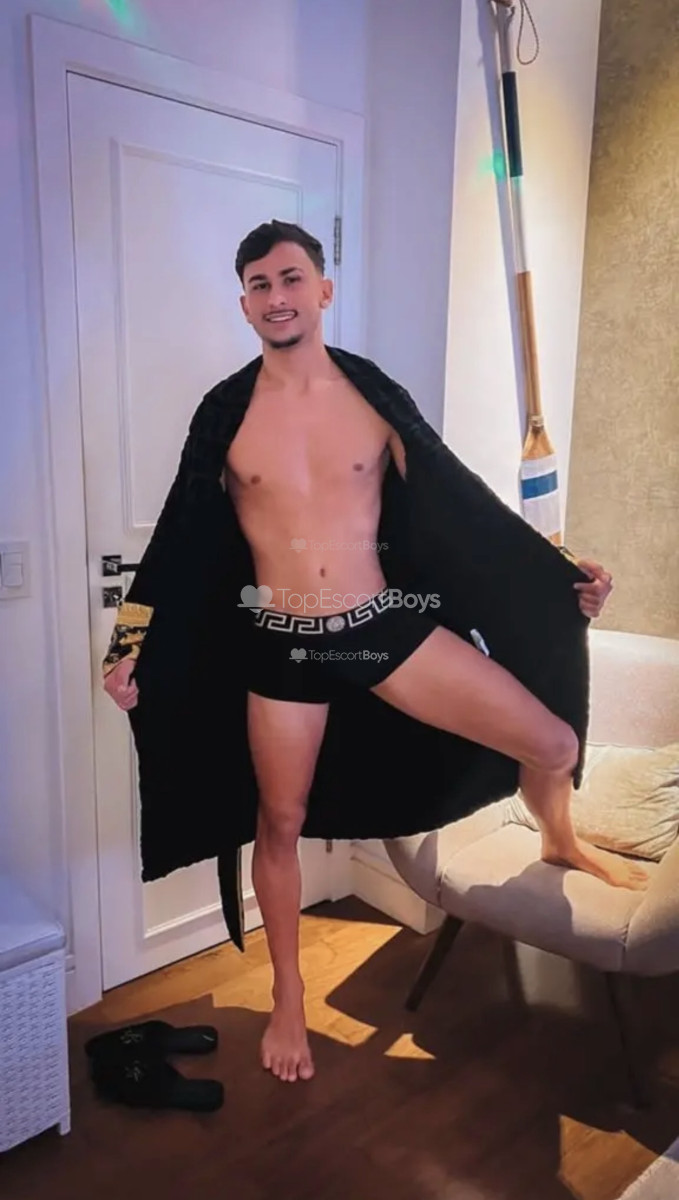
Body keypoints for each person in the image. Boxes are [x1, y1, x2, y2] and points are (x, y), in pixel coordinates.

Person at [104, 220, 647, 1085]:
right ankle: (288, 995)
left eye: (290, 278)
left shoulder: (370, 395)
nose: (276, 296)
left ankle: (557, 839)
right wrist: (129, 642)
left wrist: (559, 572)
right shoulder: (224, 412)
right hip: (282, 644)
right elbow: (177, 536)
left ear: (322, 290)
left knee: (552, 743)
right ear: (244, 304)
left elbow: (461, 505)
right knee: (277, 822)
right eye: (258, 284)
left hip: (378, 623)